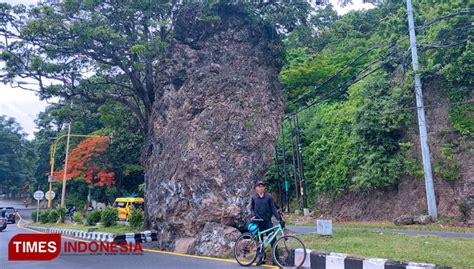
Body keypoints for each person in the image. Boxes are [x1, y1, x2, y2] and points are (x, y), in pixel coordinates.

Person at [250, 180, 282, 265]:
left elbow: (273, 208)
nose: (260, 188)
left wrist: (278, 217)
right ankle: (261, 258)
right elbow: (252, 208)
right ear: (256, 188)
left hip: (267, 221)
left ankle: (276, 260)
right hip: (258, 222)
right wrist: (253, 215)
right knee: (259, 241)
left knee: (273, 240)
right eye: (258, 186)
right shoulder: (254, 198)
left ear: (264, 188)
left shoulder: (269, 197)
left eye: (262, 186)